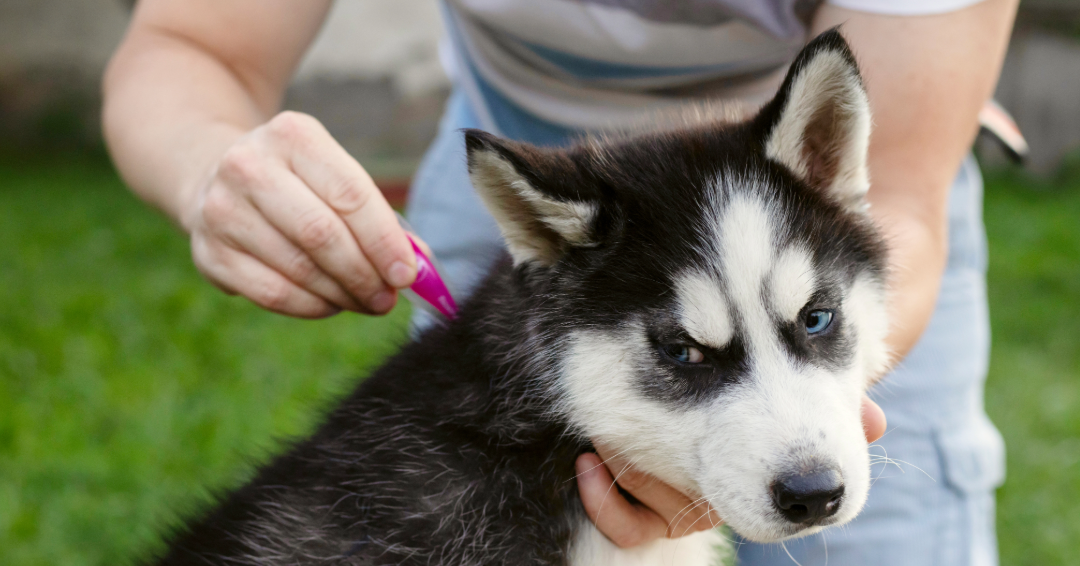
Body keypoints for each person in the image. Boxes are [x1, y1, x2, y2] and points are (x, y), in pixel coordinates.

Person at [102, 0, 1018, 563]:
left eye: (816, 324)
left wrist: (827, 347)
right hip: (540, 183)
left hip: (809, 176)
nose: (796, 443)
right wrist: (209, 163)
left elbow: (892, 194)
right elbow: (195, 40)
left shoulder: (831, 176)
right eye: (691, 354)